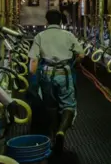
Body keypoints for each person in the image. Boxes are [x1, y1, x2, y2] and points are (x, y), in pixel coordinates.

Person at [28, 9, 84, 154]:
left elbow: (33, 62)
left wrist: (32, 78)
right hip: (63, 73)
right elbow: (81, 54)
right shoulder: (68, 35)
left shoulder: (40, 36)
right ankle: (61, 131)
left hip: (46, 73)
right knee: (68, 104)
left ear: (46, 21)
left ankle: (53, 135)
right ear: (60, 21)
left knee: (50, 106)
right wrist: (73, 64)